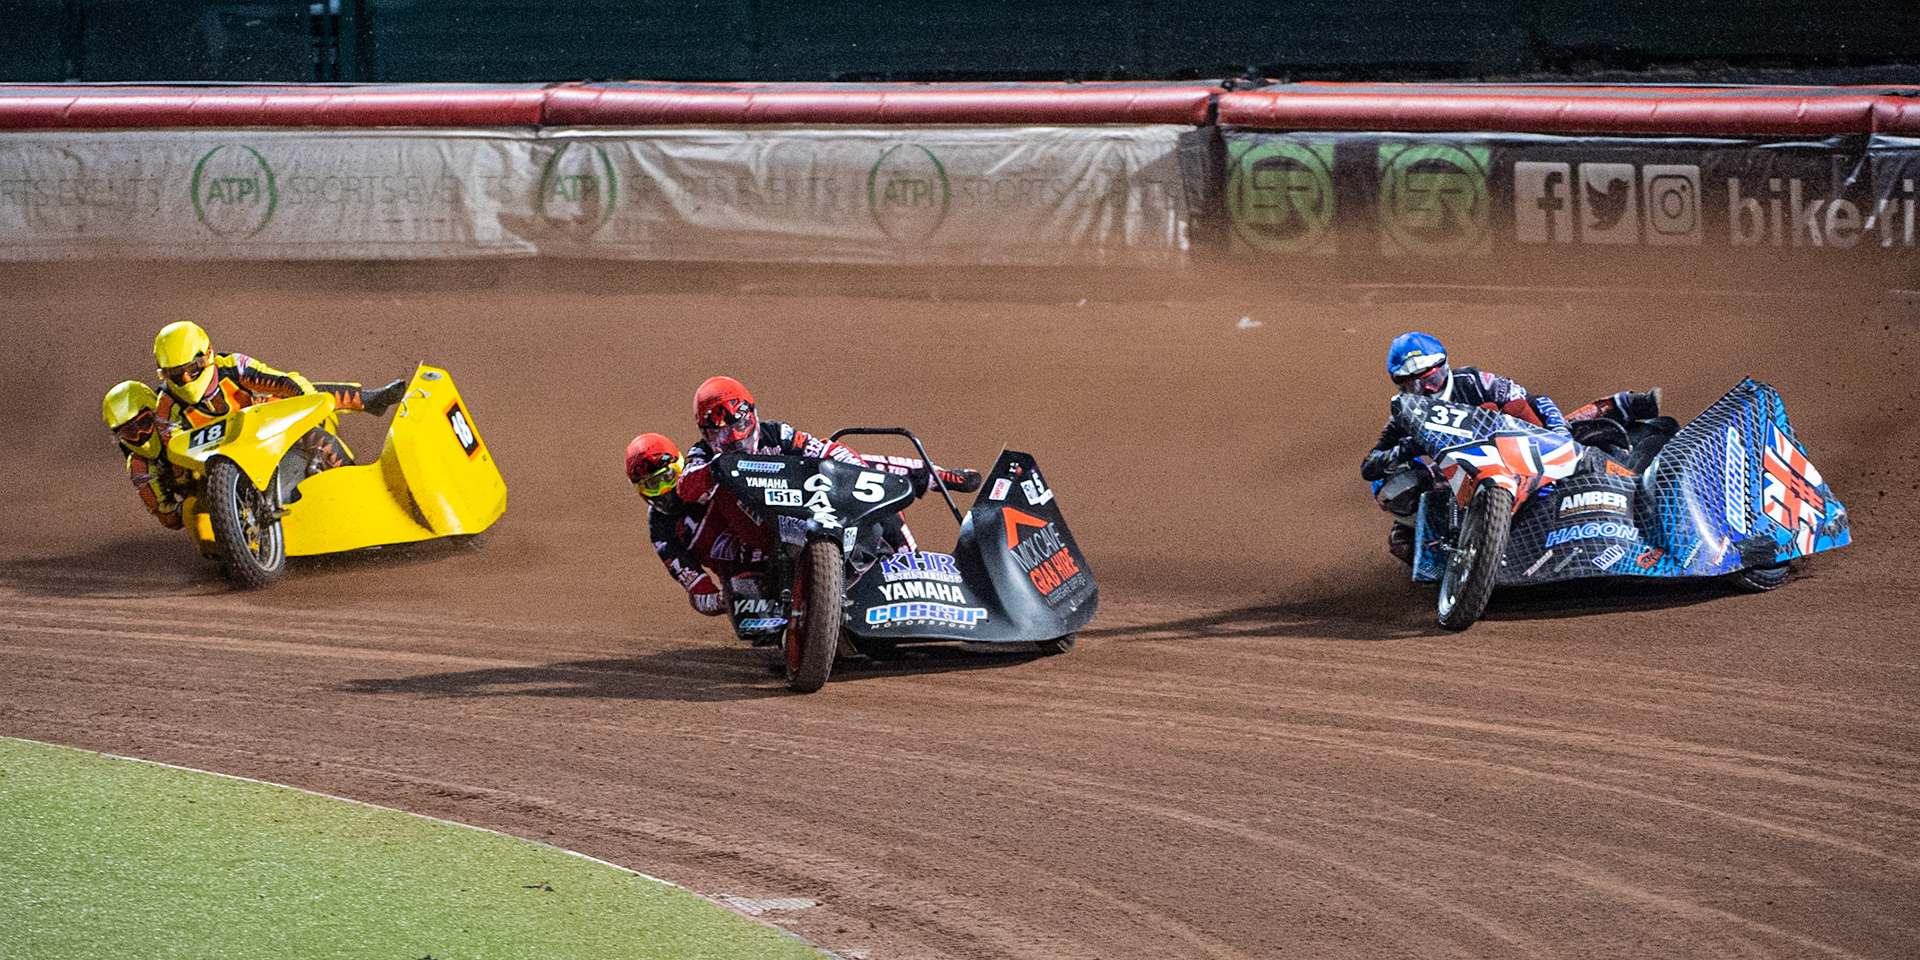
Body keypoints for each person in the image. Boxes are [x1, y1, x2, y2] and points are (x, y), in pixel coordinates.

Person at [1360, 331, 1661, 563]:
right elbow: (1370, 464)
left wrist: (1558, 434)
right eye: (1414, 385)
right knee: (1398, 529)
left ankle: (1614, 414)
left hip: (1520, 454)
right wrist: (1405, 450)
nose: (1427, 389)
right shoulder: (1404, 416)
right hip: (1457, 484)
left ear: (1445, 368)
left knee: (1527, 416)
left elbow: (1535, 402)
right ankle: (1442, 555)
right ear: (1400, 386)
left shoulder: (1477, 382)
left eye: (1432, 379)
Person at [672, 376, 981, 601]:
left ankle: (912, 562)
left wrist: (856, 469)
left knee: (872, 484)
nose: (733, 438)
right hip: (761, 544)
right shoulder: (702, 454)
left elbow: (823, 450)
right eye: (720, 432)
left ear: (752, 416)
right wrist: (719, 468)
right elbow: (686, 486)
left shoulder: (777, 434)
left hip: (809, 513)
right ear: (705, 433)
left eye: (739, 425)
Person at [151, 321, 408, 452]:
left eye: (191, 370)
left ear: (206, 356)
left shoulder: (234, 366)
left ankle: (369, 400)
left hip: (261, 429)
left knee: (317, 435)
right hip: (213, 461)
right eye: (176, 375)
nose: (186, 380)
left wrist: (309, 410)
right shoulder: (165, 405)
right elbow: (173, 452)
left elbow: (283, 381)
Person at [624, 431, 723, 617]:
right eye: (653, 485)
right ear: (641, 490)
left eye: (668, 477)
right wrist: (726, 599)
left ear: (680, 465)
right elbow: (698, 590)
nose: (664, 490)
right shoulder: (660, 528)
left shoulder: (707, 465)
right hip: (738, 578)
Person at [103, 380, 191, 530]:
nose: (140, 435)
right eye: (130, 432)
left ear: (155, 412)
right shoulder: (139, 464)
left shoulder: (181, 411)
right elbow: (166, 517)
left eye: (143, 423)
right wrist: (188, 510)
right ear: (121, 437)